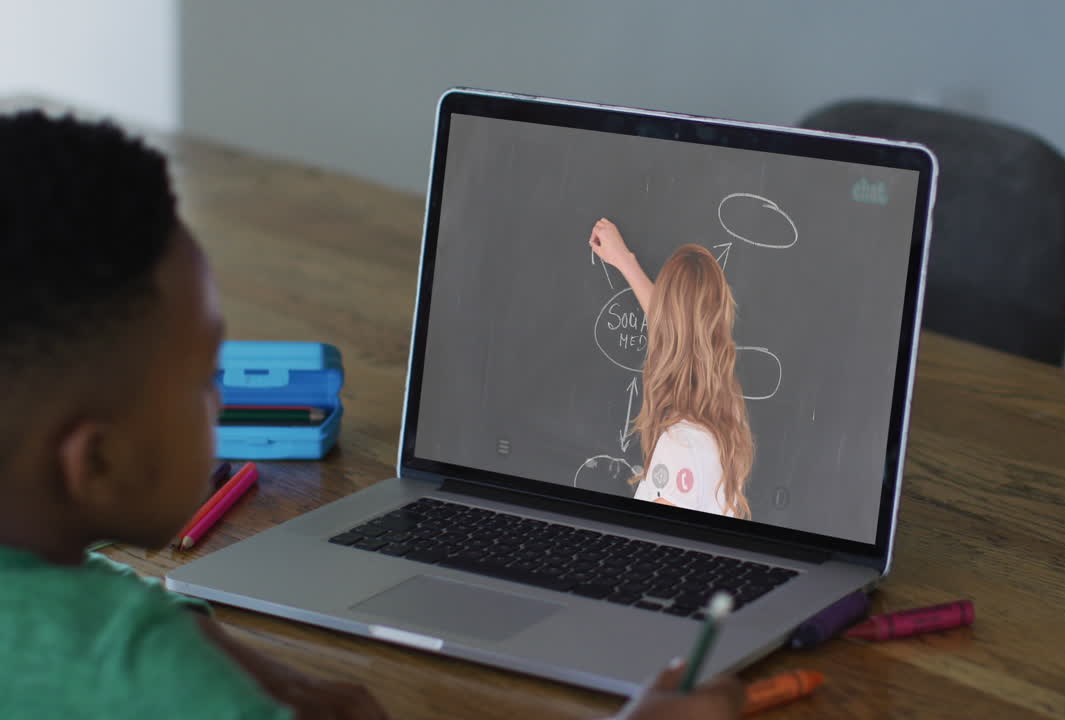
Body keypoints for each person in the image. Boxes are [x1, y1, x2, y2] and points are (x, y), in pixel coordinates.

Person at [0, 111, 742, 720]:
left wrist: (206, 642)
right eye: (203, 379)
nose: (221, 401)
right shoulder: (148, 676)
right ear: (95, 461)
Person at [589, 219, 755, 520]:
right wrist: (626, 264)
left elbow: (652, 549)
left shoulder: (678, 447)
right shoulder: (726, 417)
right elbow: (681, 333)